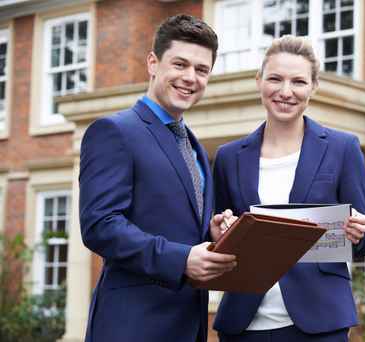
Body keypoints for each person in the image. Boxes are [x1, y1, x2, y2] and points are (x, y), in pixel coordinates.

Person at [79, 14, 237, 342]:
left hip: (187, 326)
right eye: (180, 64)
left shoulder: (193, 144)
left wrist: (211, 229)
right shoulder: (114, 131)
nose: (190, 77)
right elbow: (100, 225)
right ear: (153, 62)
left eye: (201, 69)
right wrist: (181, 259)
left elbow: (172, 222)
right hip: (133, 325)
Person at [212, 35, 365, 342]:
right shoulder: (228, 157)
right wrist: (218, 231)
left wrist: (360, 231)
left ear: (314, 86)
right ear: (259, 81)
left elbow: (364, 241)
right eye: (275, 79)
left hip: (320, 323)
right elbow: (217, 235)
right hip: (244, 324)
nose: (286, 91)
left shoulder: (343, 149)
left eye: (298, 82)